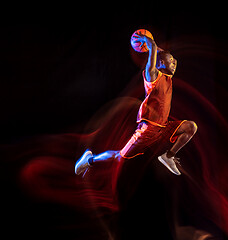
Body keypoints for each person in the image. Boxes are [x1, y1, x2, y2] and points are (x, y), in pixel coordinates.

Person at [75, 32, 197, 176]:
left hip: (162, 127)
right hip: (148, 129)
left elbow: (161, 52)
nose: (175, 63)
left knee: (191, 127)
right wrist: (145, 39)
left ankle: (168, 156)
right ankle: (90, 159)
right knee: (120, 158)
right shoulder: (152, 75)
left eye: (175, 61)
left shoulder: (167, 78)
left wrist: (159, 50)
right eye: (171, 60)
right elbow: (153, 49)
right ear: (161, 63)